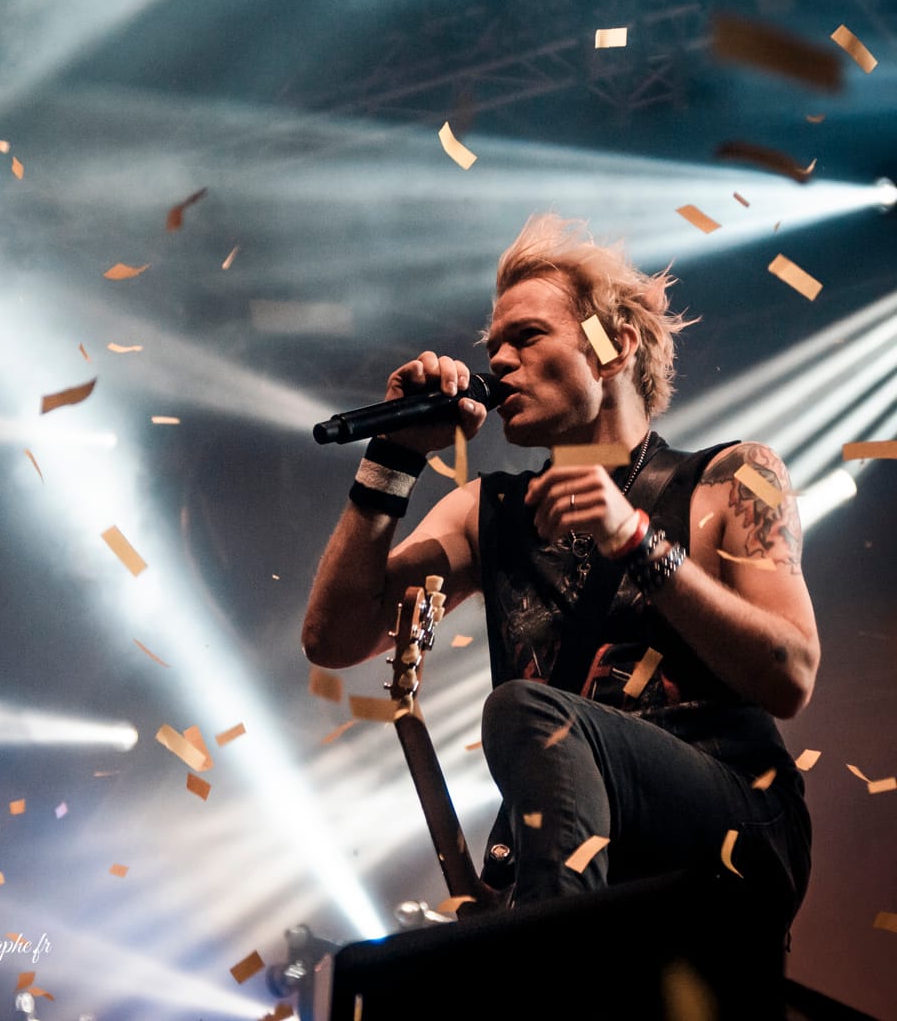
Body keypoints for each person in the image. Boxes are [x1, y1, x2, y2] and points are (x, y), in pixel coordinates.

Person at [301, 212, 818, 943]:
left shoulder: (731, 480)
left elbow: (791, 675)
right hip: (598, 867)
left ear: (614, 348)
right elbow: (332, 639)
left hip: (736, 832)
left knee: (526, 711)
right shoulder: (487, 512)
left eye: (527, 337)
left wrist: (637, 541)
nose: (499, 362)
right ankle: (556, 947)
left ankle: (548, 968)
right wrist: (394, 456)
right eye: (493, 347)